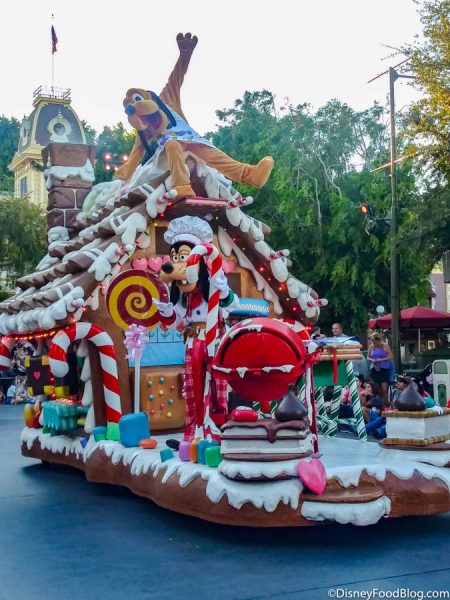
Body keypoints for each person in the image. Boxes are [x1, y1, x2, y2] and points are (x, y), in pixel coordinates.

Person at [367, 333, 393, 406]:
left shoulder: (385, 346)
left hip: (383, 369)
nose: (374, 343)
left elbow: (390, 356)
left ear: (378, 340)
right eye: (373, 341)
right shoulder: (371, 346)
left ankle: (385, 403)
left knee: (384, 389)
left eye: (375, 341)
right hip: (374, 368)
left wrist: (380, 359)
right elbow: (368, 357)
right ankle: (377, 404)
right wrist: (372, 359)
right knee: (376, 388)